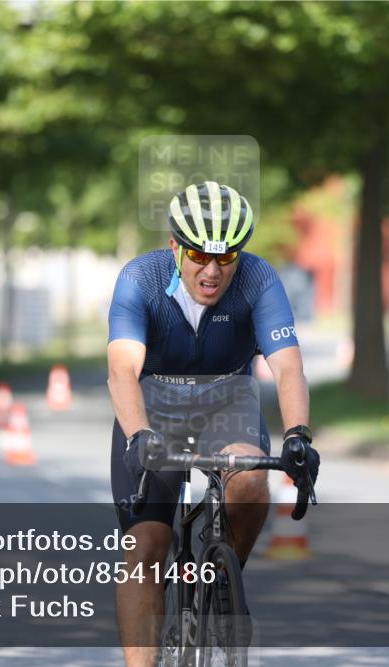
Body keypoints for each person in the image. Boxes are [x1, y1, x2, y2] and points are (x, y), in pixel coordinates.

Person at [107, 181, 320, 666]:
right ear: (175, 248)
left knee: (248, 479)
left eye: (225, 259)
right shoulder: (140, 279)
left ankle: (226, 583)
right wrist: (139, 436)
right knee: (146, 548)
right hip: (153, 404)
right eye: (200, 256)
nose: (211, 270)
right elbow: (122, 369)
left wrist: (298, 435)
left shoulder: (258, 280)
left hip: (229, 399)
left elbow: (288, 366)